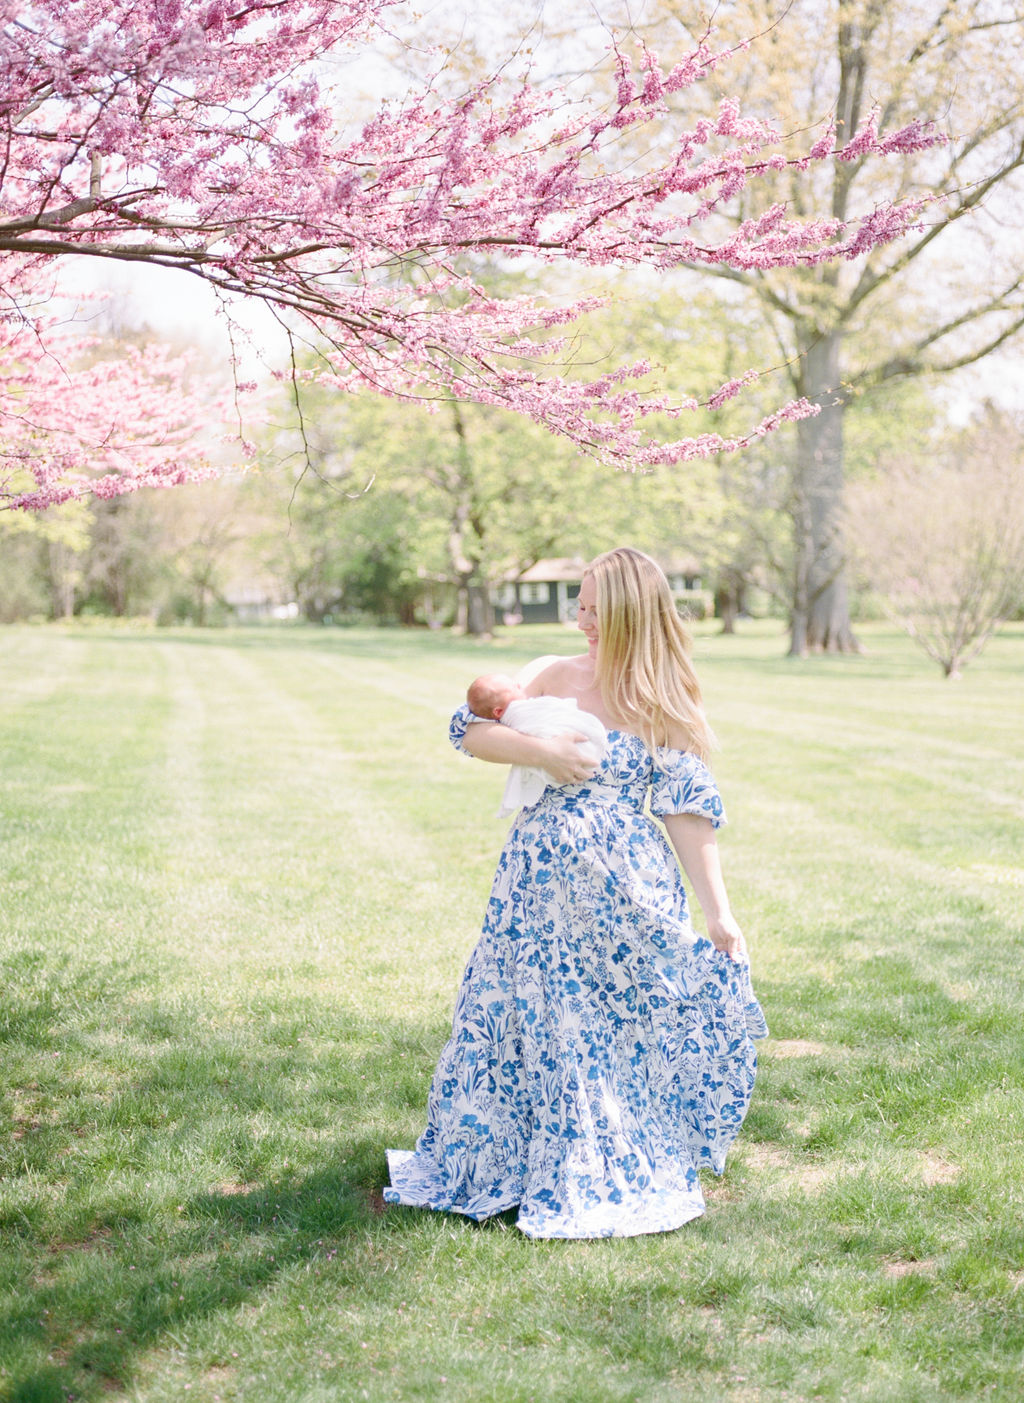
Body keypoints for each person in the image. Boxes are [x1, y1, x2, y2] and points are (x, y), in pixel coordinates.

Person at [384, 547, 767, 1239]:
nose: (579, 617)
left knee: (611, 1026)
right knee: (524, 1013)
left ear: (628, 611)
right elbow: (468, 729)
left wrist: (720, 912)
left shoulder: (661, 695)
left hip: (624, 895)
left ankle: (605, 1153)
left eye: (593, 606)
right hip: (536, 886)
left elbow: (685, 808)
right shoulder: (548, 674)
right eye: (579, 603)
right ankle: (501, 1154)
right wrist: (544, 754)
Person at [465, 671, 608, 817]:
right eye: (514, 689)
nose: (520, 686)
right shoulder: (518, 711)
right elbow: (468, 733)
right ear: (498, 711)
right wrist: (547, 750)